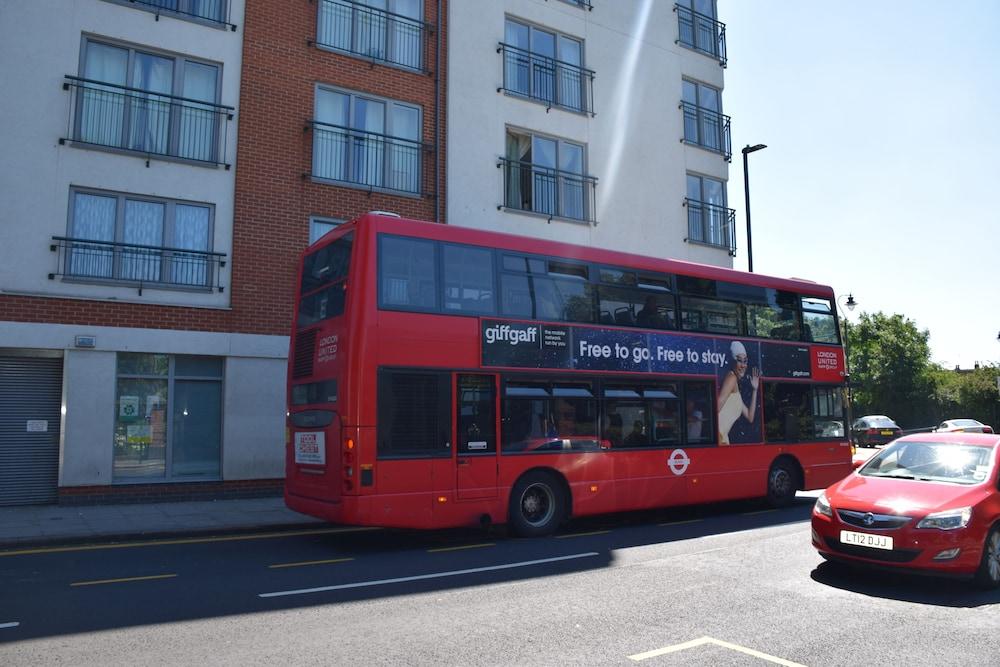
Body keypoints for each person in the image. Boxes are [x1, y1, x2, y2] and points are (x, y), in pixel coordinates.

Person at [717, 340, 760, 445]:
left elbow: (750, 417)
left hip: (723, 439)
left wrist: (755, 389)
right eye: (739, 361)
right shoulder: (731, 378)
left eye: (745, 361)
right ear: (733, 362)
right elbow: (717, 406)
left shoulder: (735, 387)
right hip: (719, 436)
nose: (743, 365)